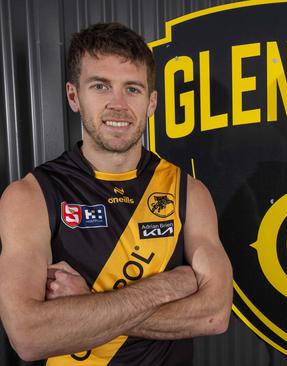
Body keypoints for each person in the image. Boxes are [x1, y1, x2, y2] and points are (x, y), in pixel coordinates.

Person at [0, 22, 233, 364]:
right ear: (73, 96)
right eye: (100, 86)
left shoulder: (188, 191)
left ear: (151, 102)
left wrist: (85, 303)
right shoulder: (31, 195)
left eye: (133, 89)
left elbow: (214, 315)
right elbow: (28, 335)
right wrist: (166, 288)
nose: (118, 104)